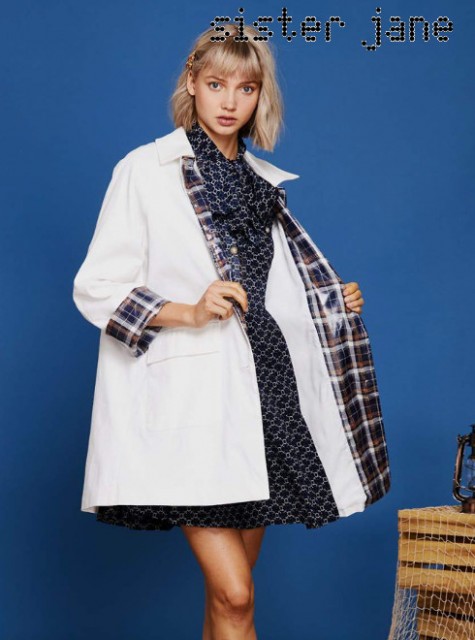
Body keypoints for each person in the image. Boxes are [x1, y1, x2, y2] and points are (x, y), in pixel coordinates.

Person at [73, 23, 390, 640]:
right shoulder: (145, 170)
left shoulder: (263, 183)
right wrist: (188, 311)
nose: (229, 101)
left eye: (245, 88)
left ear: (260, 96)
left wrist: (330, 299)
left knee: (231, 601)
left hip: (266, 392)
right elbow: (97, 286)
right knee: (236, 594)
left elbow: (273, 293)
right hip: (192, 405)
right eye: (216, 84)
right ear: (192, 82)